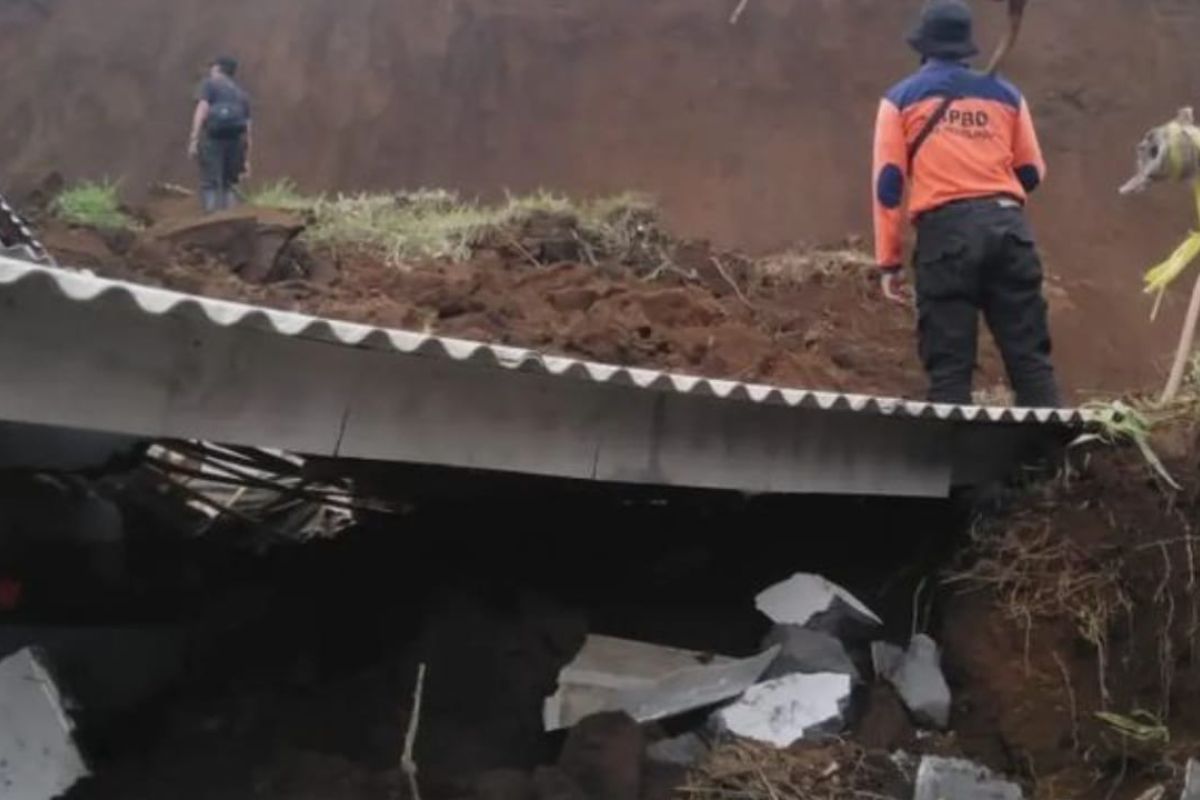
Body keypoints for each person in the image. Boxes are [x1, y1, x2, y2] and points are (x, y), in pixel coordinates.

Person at [871, 0, 1061, 408]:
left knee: (950, 372)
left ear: (923, 47)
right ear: (965, 46)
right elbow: (1032, 172)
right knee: (1031, 363)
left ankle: (955, 469)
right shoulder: (1007, 95)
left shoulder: (900, 99)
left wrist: (889, 262)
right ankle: (1052, 464)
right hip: (1010, 232)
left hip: (947, 239)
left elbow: (888, 186)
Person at [188, 56, 252, 213]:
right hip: (236, 142)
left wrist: (194, 138)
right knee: (229, 183)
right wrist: (246, 159)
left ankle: (211, 220)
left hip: (213, 139)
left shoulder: (210, 85)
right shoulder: (242, 94)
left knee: (210, 182)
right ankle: (231, 218)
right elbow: (248, 129)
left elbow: (202, 109)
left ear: (217, 69)